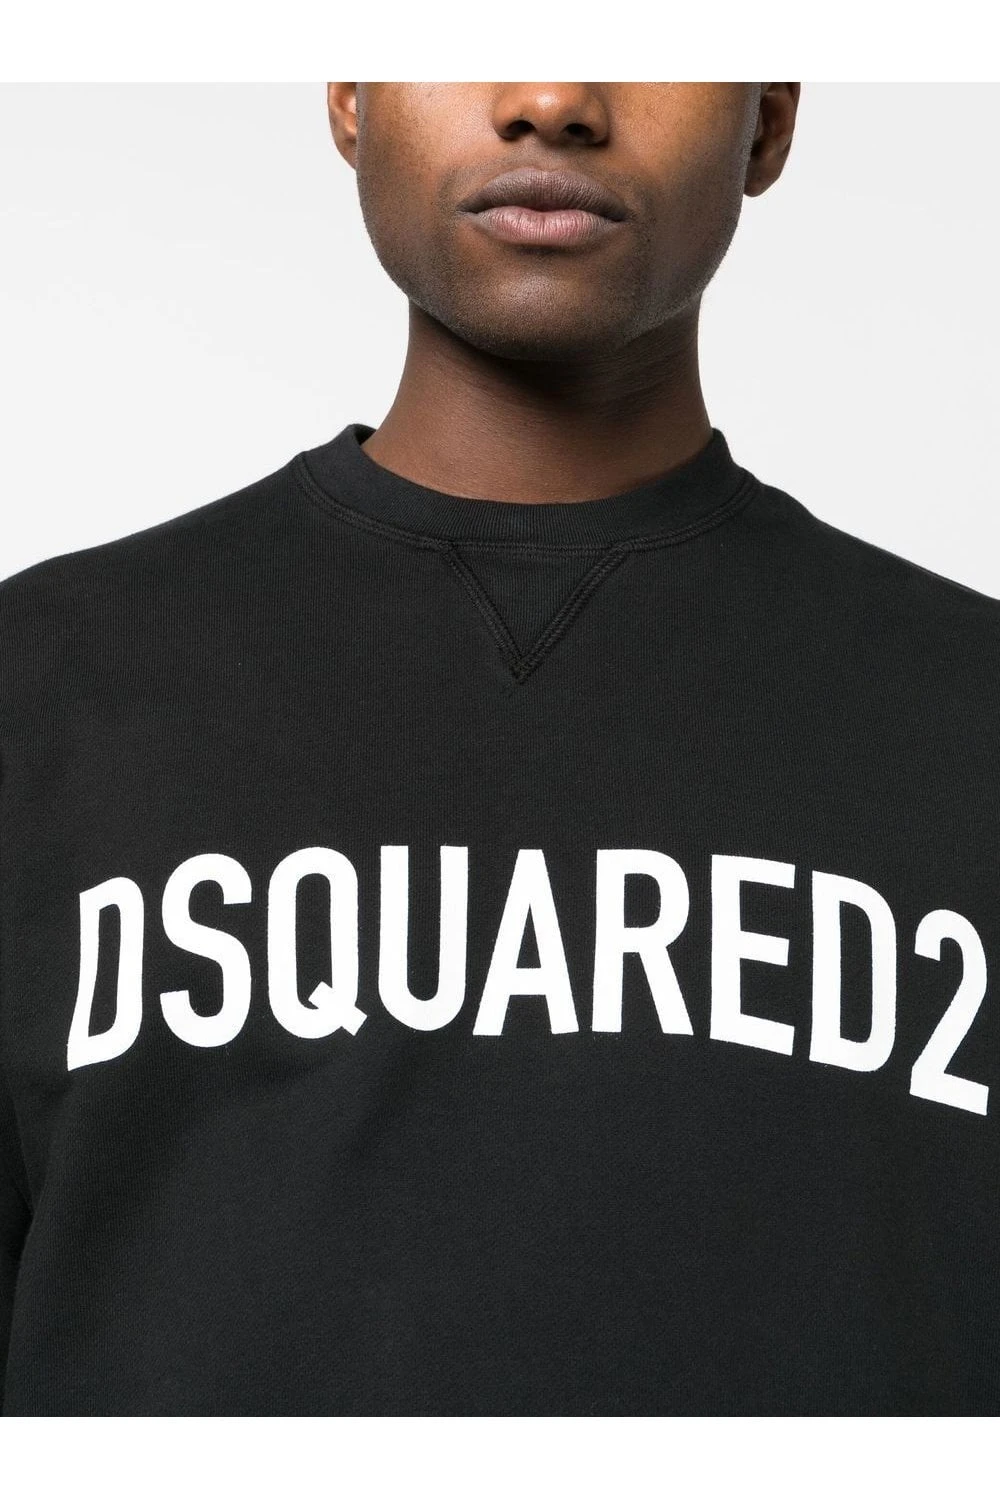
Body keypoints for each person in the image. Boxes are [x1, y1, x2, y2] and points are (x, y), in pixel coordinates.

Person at [1, 81, 997, 1418]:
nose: (552, 97)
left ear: (766, 122)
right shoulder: (42, 684)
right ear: (351, 96)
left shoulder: (967, 709)